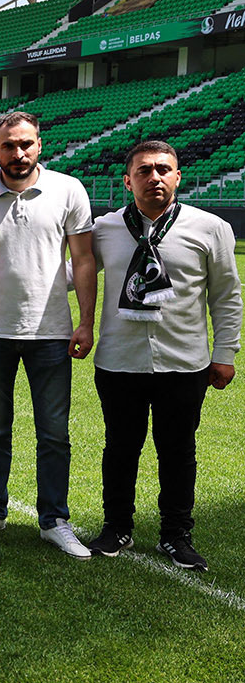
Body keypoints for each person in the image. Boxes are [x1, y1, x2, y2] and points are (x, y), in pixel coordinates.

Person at [0, 110, 97, 558]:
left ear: (39, 145)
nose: (18, 152)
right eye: (9, 145)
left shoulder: (68, 190)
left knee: (54, 433)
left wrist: (85, 321)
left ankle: (55, 519)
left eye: (26, 143)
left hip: (51, 333)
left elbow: (84, 260)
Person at [87, 140, 239, 569]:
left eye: (163, 169)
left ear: (177, 176)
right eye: (144, 170)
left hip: (185, 363)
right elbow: (71, 275)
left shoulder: (211, 227)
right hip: (119, 361)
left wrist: (225, 351)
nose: (154, 177)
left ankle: (176, 535)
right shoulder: (105, 228)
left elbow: (226, 296)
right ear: (127, 180)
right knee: (120, 448)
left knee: (178, 451)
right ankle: (116, 528)